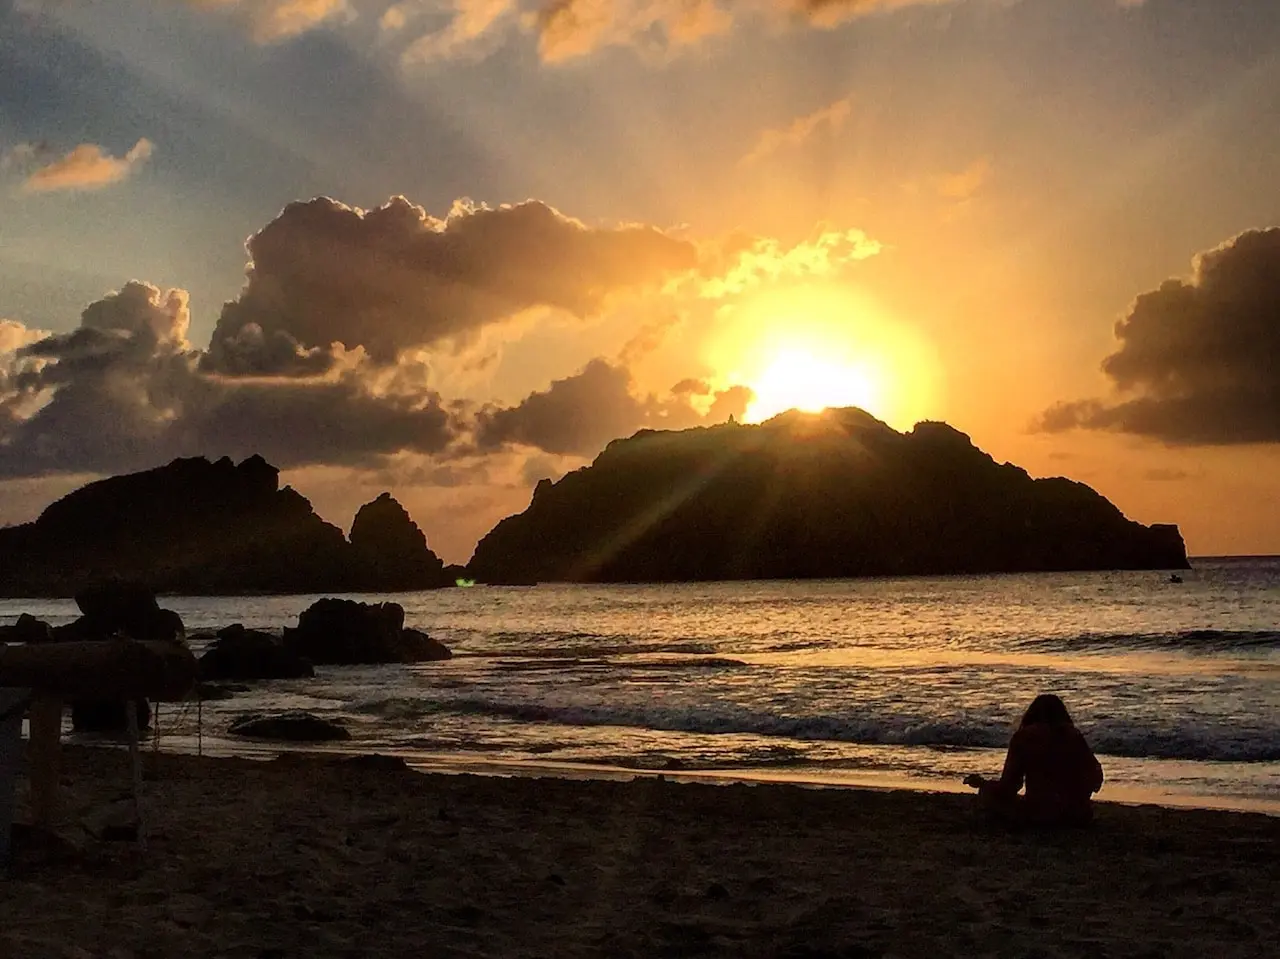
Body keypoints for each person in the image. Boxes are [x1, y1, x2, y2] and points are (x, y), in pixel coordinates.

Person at [964, 694, 1104, 827]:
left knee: (989, 797)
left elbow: (1010, 786)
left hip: (1038, 813)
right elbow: (1096, 777)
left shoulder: (1024, 737)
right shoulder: (1073, 735)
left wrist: (983, 784)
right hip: (1077, 814)